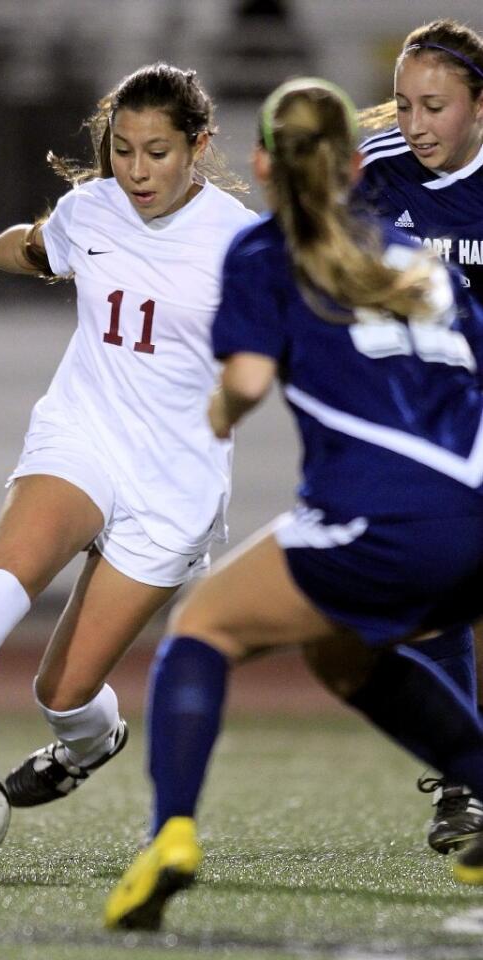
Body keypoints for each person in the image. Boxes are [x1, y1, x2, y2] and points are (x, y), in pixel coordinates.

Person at [104, 77, 483, 933]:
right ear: (355, 164)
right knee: (340, 656)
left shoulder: (264, 251)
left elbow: (244, 378)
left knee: (202, 629)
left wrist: (221, 410)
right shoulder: (416, 254)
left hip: (387, 516)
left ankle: (169, 836)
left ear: (264, 162)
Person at [0, 63, 258, 846]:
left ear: (199, 147)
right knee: (2, 583)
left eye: (159, 152)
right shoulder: (93, 207)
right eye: (124, 149)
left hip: (174, 481)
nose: (136, 171)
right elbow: (39, 250)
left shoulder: (241, 246)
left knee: (66, 691)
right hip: (84, 432)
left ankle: (87, 743)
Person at [342, 18, 483, 854]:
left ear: (479, 106)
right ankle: (466, 782)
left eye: (434, 105)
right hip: (422, 428)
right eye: (403, 103)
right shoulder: (373, 179)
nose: (416, 122)